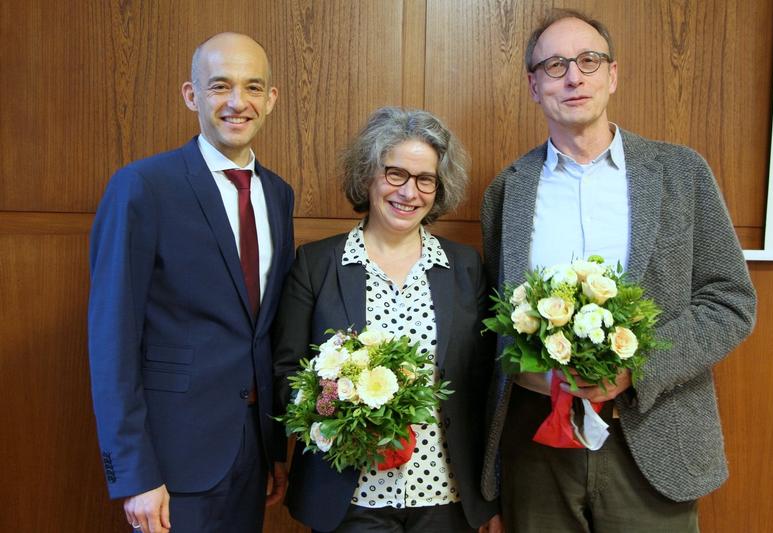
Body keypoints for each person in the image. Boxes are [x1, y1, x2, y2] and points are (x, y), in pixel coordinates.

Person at [480, 9, 756, 532]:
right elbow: (494, 330)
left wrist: (639, 368)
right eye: (555, 65)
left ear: (613, 74)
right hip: (537, 448)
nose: (574, 77)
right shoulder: (507, 191)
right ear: (534, 85)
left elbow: (730, 301)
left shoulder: (681, 173)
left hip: (654, 437)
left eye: (588, 60)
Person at [88, 32, 294, 533]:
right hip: (171, 465)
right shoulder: (142, 187)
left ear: (270, 100)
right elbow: (111, 339)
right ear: (191, 95)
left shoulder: (279, 195)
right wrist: (135, 474)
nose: (236, 103)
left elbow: (263, 331)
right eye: (220, 86)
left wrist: (274, 449)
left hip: (252, 456)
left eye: (252, 88)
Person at [272, 107, 501, 533]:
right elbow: (287, 371)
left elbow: (486, 380)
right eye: (395, 173)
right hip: (350, 498)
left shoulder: (466, 267)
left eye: (425, 179)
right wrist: (338, 409)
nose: (409, 192)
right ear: (368, 176)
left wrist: (492, 494)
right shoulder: (317, 264)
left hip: (445, 495)